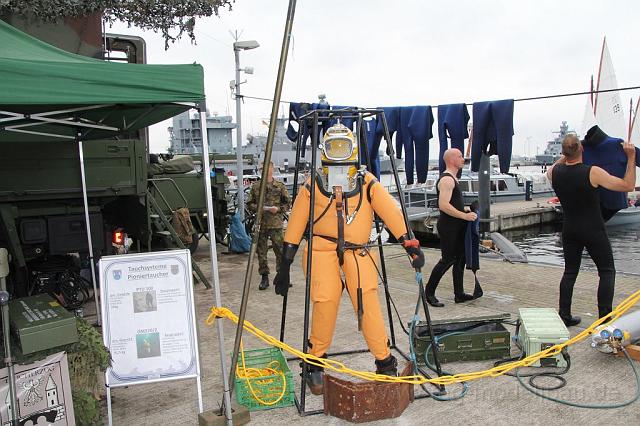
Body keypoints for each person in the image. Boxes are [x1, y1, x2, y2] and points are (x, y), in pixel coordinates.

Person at [273, 123, 424, 394]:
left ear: (353, 150)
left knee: (367, 300)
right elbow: (295, 224)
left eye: (344, 148)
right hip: (321, 249)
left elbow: (391, 213)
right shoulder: (313, 185)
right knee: (325, 300)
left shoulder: (366, 183)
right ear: (324, 152)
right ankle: (315, 362)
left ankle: (384, 361)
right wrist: (284, 265)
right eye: (334, 148)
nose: (339, 154)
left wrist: (409, 244)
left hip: (359, 250)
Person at [546, 134, 636, 326]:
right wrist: (631, 157)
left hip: (569, 228)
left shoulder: (554, 172)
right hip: (593, 228)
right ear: (582, 150)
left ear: (563, 153)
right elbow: (627, 185)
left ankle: (565, 315)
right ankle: (604, 320)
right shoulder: (592, 172)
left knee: (570, 271)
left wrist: (569, 152)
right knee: (606, 271)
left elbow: (561, 161)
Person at [424, 148, 478, 307]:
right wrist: (464, 216)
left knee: (460, 260)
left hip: (457, 225)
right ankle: (429, 293)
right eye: (460, 156)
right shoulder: (447, 180)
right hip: (449, 227)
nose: (463, 159)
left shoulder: (454, 178)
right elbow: (443, 205)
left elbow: (452, 203)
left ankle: (459, 294)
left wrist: (464, 210)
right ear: (452, 160)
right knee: (447, 260)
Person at [246, 161, 291, 290]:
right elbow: (250, 204)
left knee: (281, 251)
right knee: (261, 252)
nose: (265, 170)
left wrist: (278, 209)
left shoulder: (279, 186)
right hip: (261, 224)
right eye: (263, 168)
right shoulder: (256, 187)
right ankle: (264, 277)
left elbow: (288, 203)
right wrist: (262, 208)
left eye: (268, 167)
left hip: (276, 223)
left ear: (272, 169)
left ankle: (282, 277)